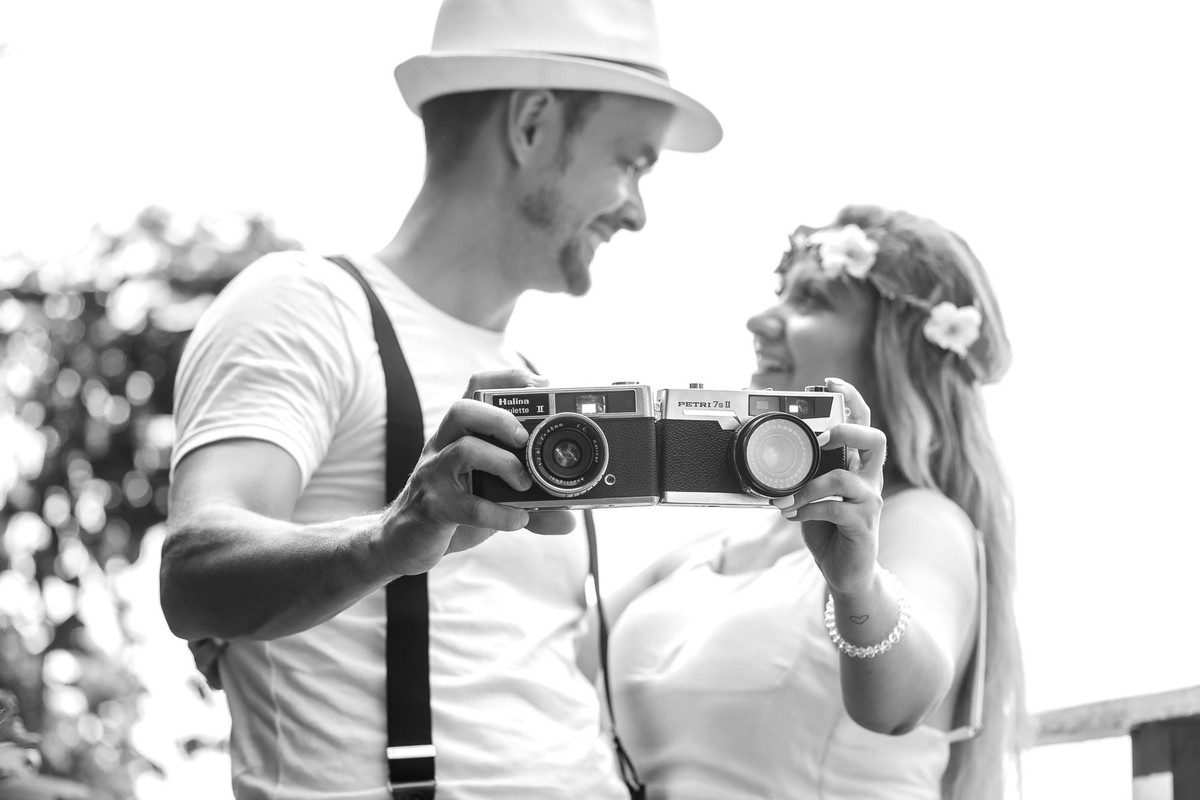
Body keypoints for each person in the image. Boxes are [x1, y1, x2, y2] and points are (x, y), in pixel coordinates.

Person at [158, 1, 721, 798]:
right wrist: (395, 534)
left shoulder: (530, 382)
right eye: (631, 161)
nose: (636, 209)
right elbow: (194, 572)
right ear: (532, 125)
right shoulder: (309, 306)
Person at [604, 205, 1025, 799]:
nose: (760, 319)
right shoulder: (703, 550)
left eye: (812, 301)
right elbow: (546, 659)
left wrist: (857, 585)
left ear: (893, 351)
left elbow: (901, 704)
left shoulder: (924, 522)